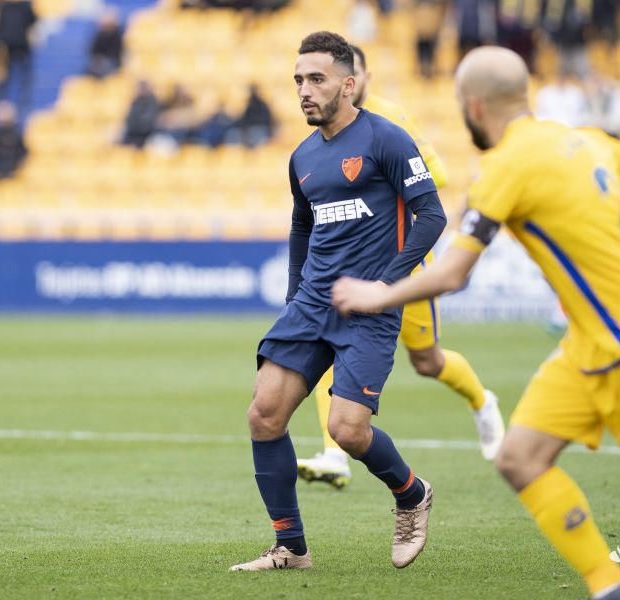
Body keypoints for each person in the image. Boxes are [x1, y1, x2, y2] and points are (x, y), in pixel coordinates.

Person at [331, 46, 620, 600]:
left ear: (473, 106)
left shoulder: (504, 166)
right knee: (519, 457)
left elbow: (453, 273)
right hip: (587, 347)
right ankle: (607, 585)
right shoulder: (594, 141)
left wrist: (377, 293)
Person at [230, 31, 447, 573]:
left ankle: (411, 493)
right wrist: (292, 296)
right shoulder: (302, 156)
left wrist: (389, 286)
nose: (304, 90)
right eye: (299, 80)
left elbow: (433, 216)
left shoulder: (388, 140)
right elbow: (301, 228)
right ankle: (291, 547)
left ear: (348, 85)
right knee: (264, 414)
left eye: (317, 79)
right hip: (310, 305)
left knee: (347, 431)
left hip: (370, 309)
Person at [297, 44, 504, 490]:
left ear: (358, 79)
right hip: (351, 272)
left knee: (427, 361)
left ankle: (482, 400)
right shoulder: (321, 137)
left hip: (402, 267)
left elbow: (439, 179)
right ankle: (336, 453)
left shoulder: (392, 124)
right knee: (329, 346)